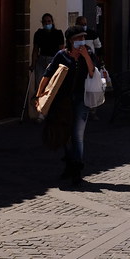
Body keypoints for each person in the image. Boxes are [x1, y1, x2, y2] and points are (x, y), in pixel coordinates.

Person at [35, 27, 96, 185]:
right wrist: (39, 95)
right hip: (63, 101)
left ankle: (76, 170)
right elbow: (47, 75)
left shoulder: (88, 53)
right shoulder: (61, 55)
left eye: (83, 37)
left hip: (81, 99)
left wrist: (86, 56)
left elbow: (92, 73)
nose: (81, 41)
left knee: (77, 135)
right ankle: (70, 163)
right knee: (65, 134)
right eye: (78, 38)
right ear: (70, 40)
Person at [31, 13, 63, 101]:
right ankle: (39, 103)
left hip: (53, 60)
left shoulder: (58, 33)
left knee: (52, 84)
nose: (47, 23)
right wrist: (33, 64)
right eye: (45, 22)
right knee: (40, 84)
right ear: (42, 23)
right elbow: (35, 50)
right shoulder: (38, 34)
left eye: (49, 21)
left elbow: (61, 49)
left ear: (52, 22)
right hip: (41, 60)